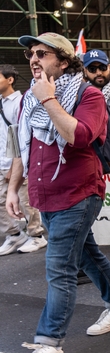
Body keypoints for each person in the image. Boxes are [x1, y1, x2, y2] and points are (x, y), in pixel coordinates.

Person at [7, 33, 110, 353]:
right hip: (45, 195)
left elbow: (79, 137)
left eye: (41, 53)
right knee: (87, 253)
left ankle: (50, 343)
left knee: (60, 267)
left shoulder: (87, 94)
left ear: (63, 61)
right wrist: (12, 190)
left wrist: (49, 99)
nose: (33, 59)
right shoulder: (28, 100)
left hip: (78, 192)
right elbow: (25, 147)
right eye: (29, 54)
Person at [0, 64, 46, 256]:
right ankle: (14, 234)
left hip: (16, 161)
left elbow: (21, 136)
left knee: (26, 200)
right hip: (1, 160)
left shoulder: (20, 101)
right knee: (2, 202)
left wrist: (14, 165)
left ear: (10, 79)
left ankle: (36, 235)